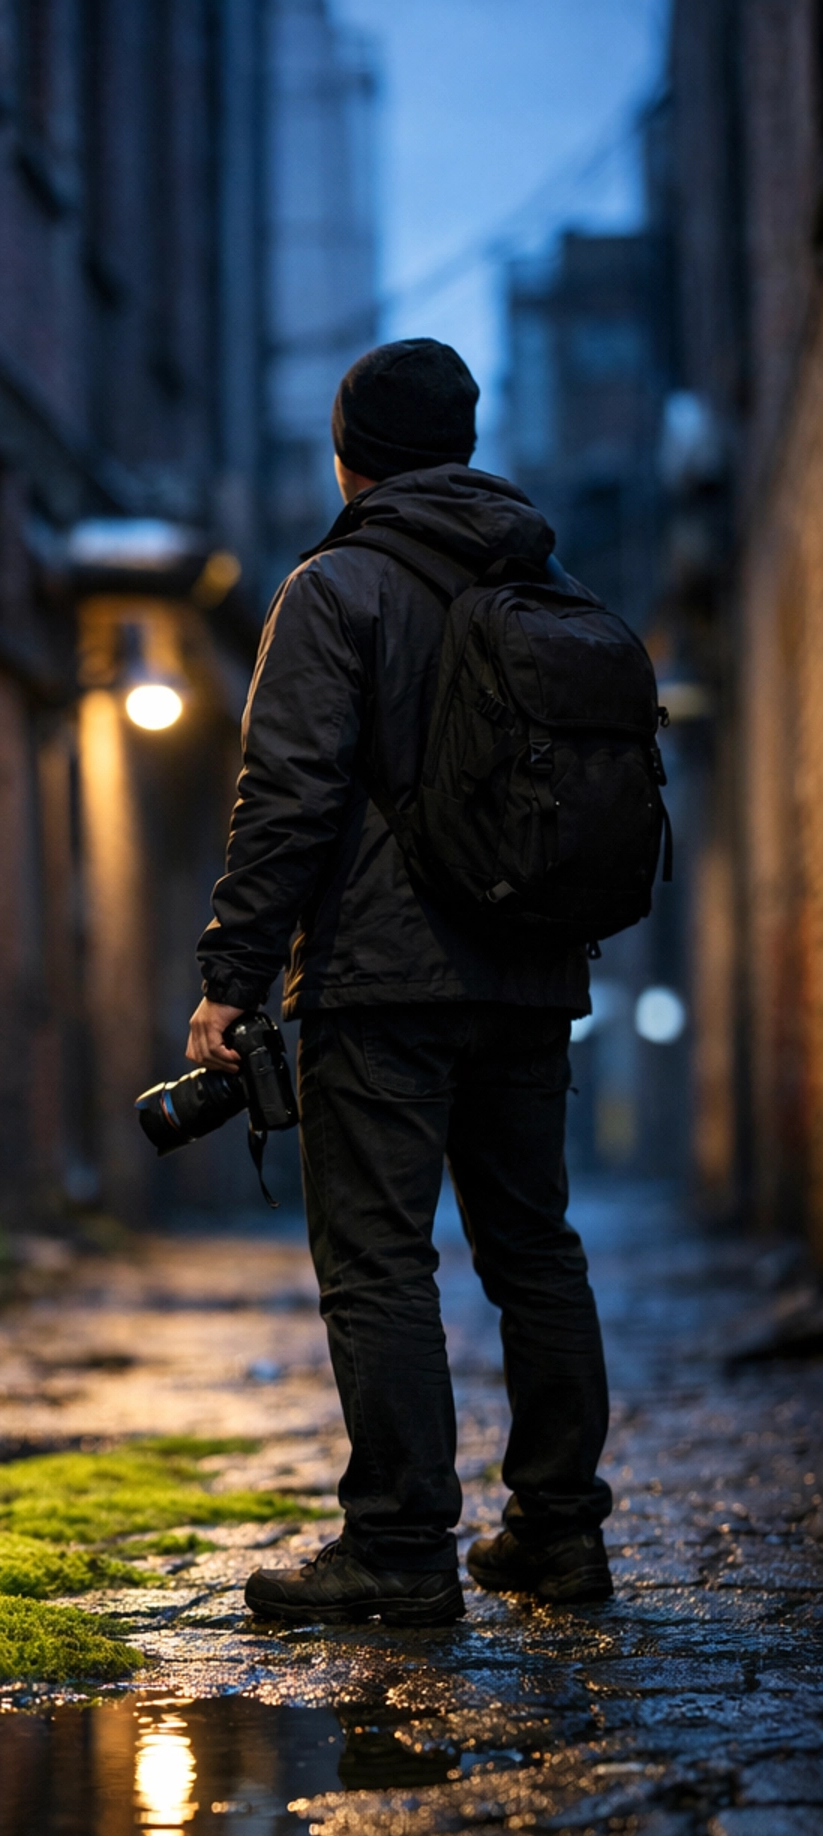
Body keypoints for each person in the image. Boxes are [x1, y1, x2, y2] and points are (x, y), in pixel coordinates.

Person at [189, 337, 613, 1629]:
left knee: (377, 1260)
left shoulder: (337, 586)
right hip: (530, 974)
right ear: (464, 446)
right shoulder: (546, 579)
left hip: (381, 980)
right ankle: (558, 1534)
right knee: (534, 1249)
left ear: (350, 455)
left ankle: (400, 1547)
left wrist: (232, 977)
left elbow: (289, 792)